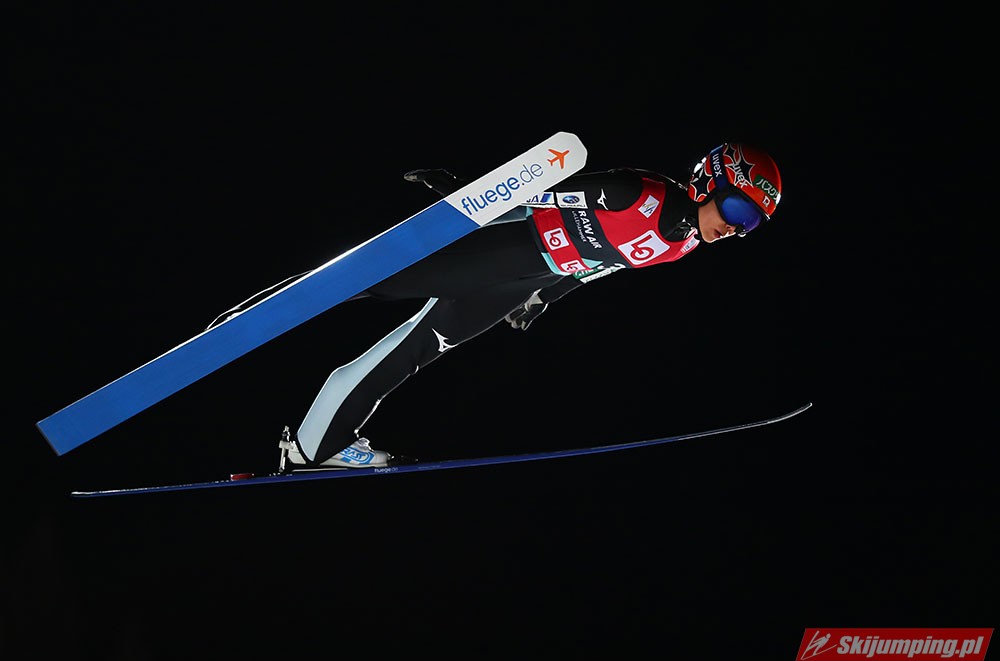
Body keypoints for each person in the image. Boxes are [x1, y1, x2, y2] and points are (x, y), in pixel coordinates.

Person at [218, 142, 783, 469]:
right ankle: (236, 325)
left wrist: (543, 297)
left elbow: (600, 266)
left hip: (517, 282)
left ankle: (316, 447)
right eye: (737, 210)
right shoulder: (641, 193)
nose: (736, 229)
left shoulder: (683, 245)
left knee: (410, 353)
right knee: (362, 281)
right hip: (500, 247)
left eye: (750, 224)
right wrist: (462, 195)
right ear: (710, 181)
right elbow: (538, 194)